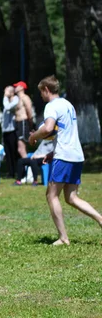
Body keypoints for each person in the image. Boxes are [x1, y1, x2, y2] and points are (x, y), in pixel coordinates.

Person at [29, 75, 102, 245]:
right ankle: (100, 219)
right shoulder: (68, 105)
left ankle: (63, 238)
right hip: (76, 155)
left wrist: (34, 137)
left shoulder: (51, 106)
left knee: (51, 195)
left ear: (46, 90)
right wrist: (52, 153)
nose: (41, 96)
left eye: (41, 93)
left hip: (64, 156)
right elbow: (64, 133)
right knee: (71, 197)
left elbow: (47, 128)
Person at [2, 86, 20, 178]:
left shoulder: (16, 99)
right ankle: (10, 172)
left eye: (6, 91)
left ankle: (18, 172)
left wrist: (5, 97)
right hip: (5, 131)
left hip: (13, 130)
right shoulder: (7, 101)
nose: (5, 93)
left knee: (14, 152)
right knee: (7, 152)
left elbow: (8, 107)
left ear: (12, 92)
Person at [13, 81, 34, 158]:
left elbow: (29, 112)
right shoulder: (17, 99)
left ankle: (29, 166)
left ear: (22, 87)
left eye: (17, 86)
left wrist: (30, 125)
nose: (15, 88)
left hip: (23, 123)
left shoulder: (25, 98)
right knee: (20, 149)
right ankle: (26, 165)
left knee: (21, 149)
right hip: (18, 124)